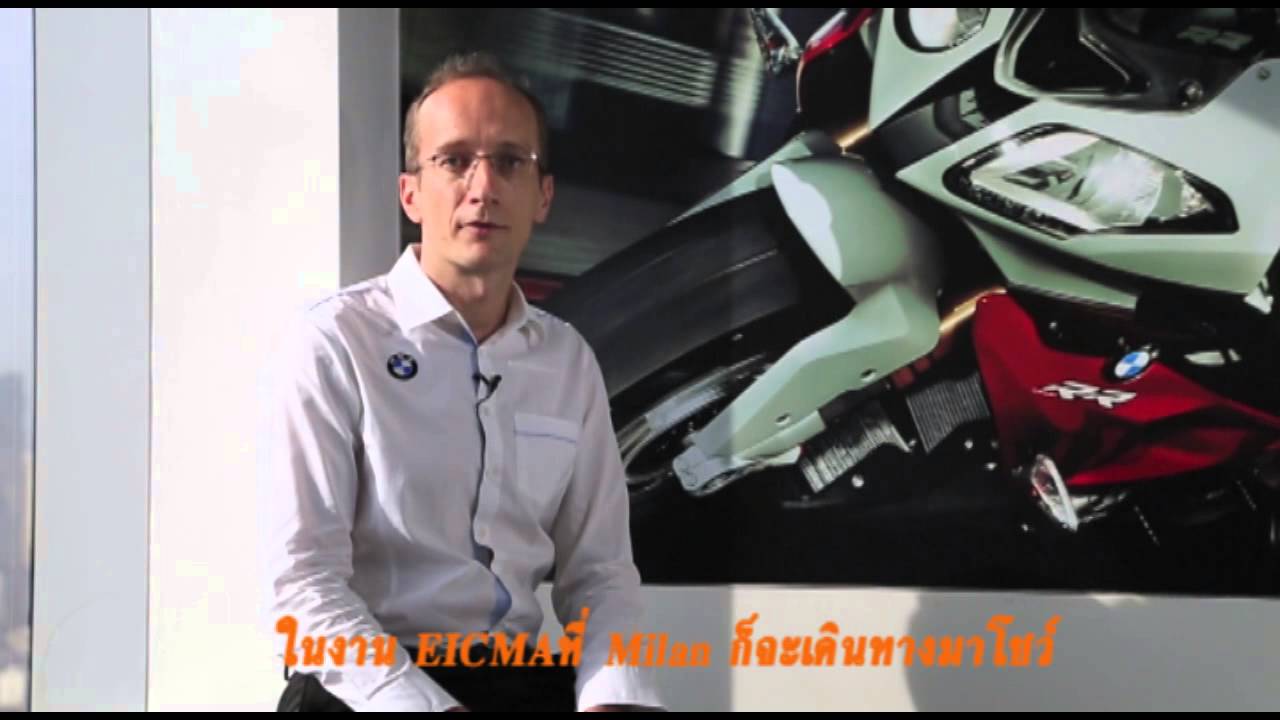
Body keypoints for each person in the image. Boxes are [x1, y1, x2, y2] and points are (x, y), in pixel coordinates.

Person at [258, 51, 663, 712]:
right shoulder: (335, 341)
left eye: (510, 161)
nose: (483, 187)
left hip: (520, 682)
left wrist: (613, 697)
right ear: (411, 193)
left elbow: (602, 573)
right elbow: (303, 585)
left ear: (543, 196)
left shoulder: (567, 360)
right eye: (453, 160)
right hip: (367, 691)